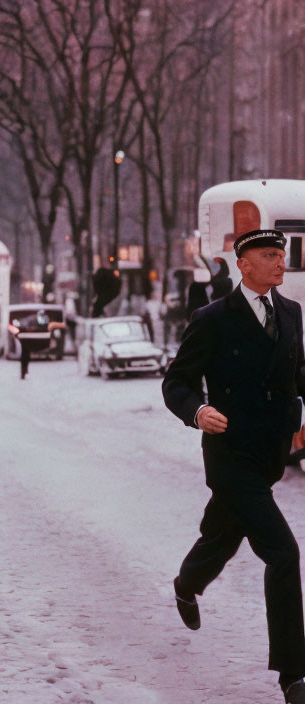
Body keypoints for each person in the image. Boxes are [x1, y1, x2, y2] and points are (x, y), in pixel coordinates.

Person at [162, 228, 305, 704]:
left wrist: (299, 413)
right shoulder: (213, 319)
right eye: (269, 255)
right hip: (229, 455)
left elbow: (296, 374)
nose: (280, 263)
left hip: (269, 456)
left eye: (281, 255)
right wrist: (197, 411)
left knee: (223, 534)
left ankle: (187, 582)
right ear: (243, 264)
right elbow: (176, 383)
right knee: (283, 553)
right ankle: (294, 674)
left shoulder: (291, 312)